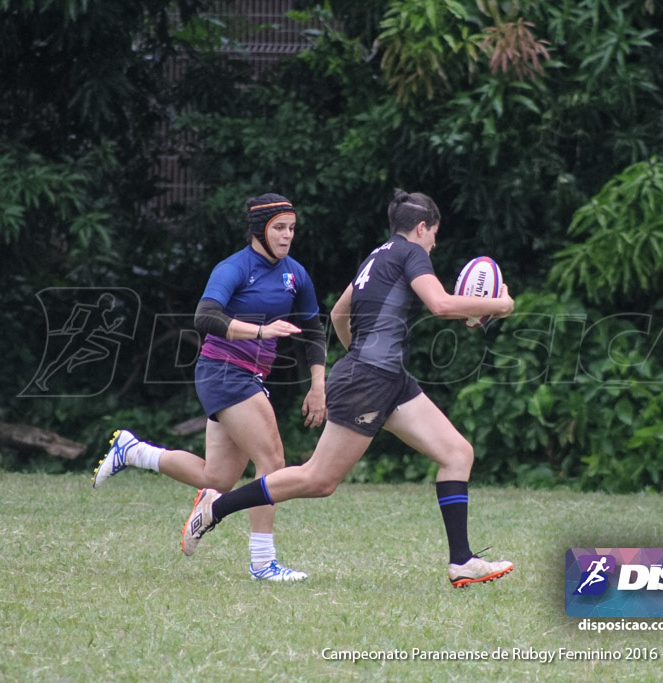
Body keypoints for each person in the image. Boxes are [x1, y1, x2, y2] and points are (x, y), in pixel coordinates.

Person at [179, 189, 516, 588]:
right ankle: (217, 507)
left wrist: (358, 350)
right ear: (422, 227)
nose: (434, 244)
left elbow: (340, 312)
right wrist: (499, 306)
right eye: (434, 234)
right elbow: (440, 306)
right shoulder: (411, 253)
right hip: (369, 379)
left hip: (388, 378)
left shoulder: (377, 256)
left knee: (457, 453)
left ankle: (462, 561)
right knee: (318, 480)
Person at [92, 193, 326, 582]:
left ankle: (133, 452)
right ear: (259, 230)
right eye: (279, 228)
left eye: (292, 229)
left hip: (248, 376)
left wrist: (319, 385)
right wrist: (262, 331)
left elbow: (314, 329)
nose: (287, 236)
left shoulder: (295, 273)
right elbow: (205, 316)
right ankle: (262, 563)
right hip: (224, 371)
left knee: (215, 479)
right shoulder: (233, 268)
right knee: (272, 463)